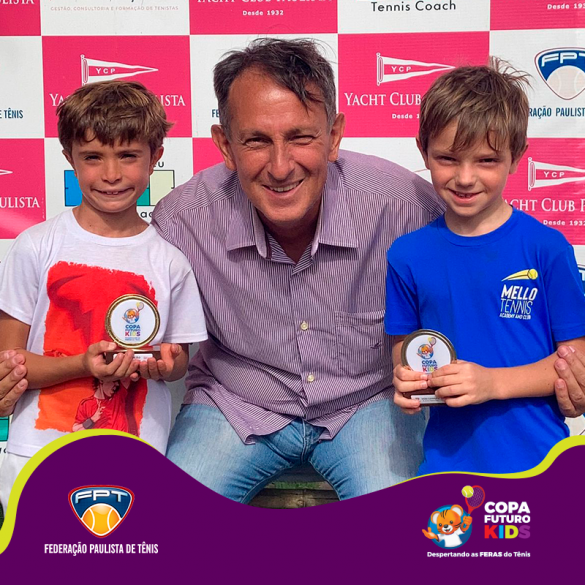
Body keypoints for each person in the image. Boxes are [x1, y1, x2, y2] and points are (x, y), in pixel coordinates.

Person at [152, 38, 445, 502]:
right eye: (256, 141)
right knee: (170, 516)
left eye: (301, 137)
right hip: (236, 403)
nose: (280, 166)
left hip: (367, 403)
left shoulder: (408, 208)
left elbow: (479, 288)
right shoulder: (181, 220)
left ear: (334, 135)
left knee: (397, 529)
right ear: (225, 145)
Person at [0, 81, 208, 512]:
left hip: (137, 453)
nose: (111, 174)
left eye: (128, 155)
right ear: (69, 159)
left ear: (155, 156)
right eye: (93, 157)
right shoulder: (35, 246)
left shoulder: (171, 262)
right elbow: (11, 364)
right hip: (36, 453)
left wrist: (165, 365)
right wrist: (81, 364)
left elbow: (177, 362)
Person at [385, 61, 585, 474]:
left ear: (517, 157)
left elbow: (575, 358)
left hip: (541, 461)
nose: (465, 177)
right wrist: (405, 380)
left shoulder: (547, 248)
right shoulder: (406, 255)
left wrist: (492, 383)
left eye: (487, 160)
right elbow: (406, 349)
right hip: (444, 465)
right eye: (447, 158)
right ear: (423, 151)